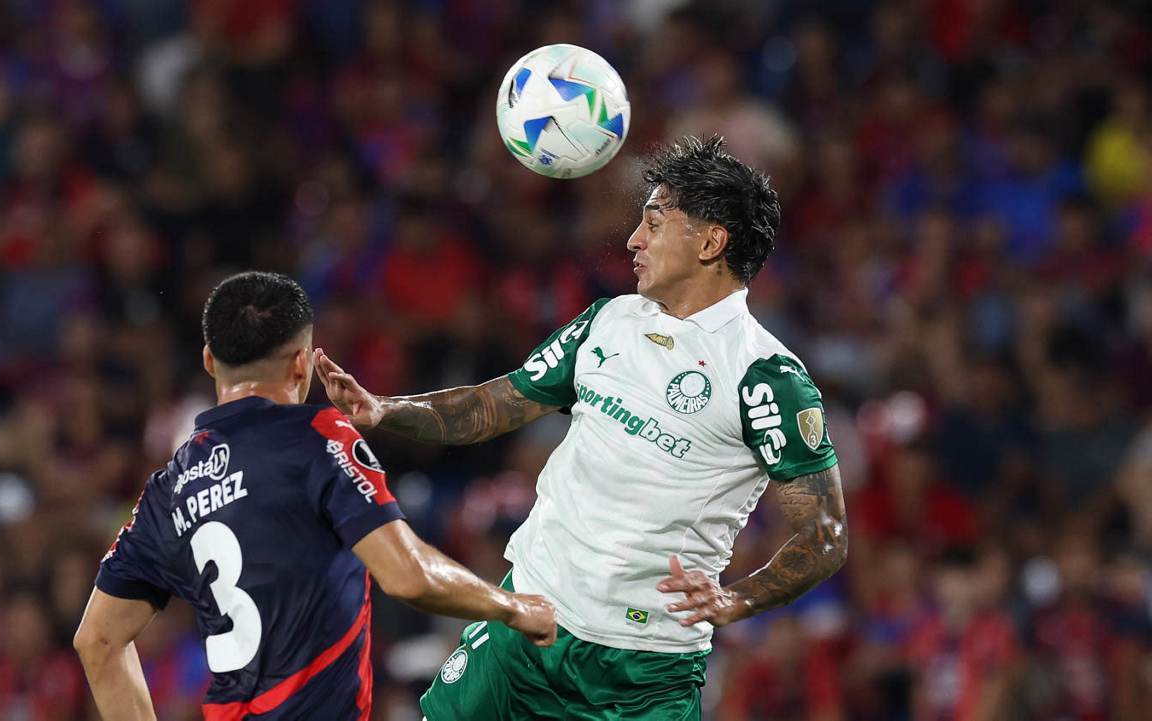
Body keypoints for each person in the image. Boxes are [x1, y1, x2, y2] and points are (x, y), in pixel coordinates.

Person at [317, 136, 849, 719]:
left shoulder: (764, 377)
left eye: (654, 223)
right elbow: (492, 405)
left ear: (710, 242)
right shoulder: (609, 321)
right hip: (525, 623)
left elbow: (824, 534)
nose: (634, 240)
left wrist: (736, 599)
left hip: (643, 672)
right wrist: (385, 409)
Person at [73, 271, 556, 720]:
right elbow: (408, 576)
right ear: (302, 362)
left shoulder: (168, 488)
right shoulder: (317, 438)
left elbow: (97, 641)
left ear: (208, 360)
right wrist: (514, 607)